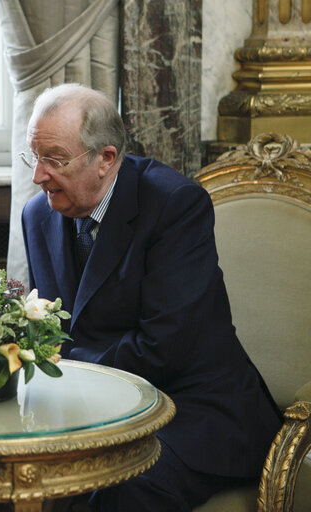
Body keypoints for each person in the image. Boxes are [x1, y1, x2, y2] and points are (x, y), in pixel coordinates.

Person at [20, 83, 281, 511]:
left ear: (105, 158)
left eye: (55, 160)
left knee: (117, 487)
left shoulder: (174, 205)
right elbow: (51, 330)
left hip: (193, 409)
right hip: (96, 409)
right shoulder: (39, 215)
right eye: (35, 157)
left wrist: (67, 371)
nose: (38, 176)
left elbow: (164, 347)